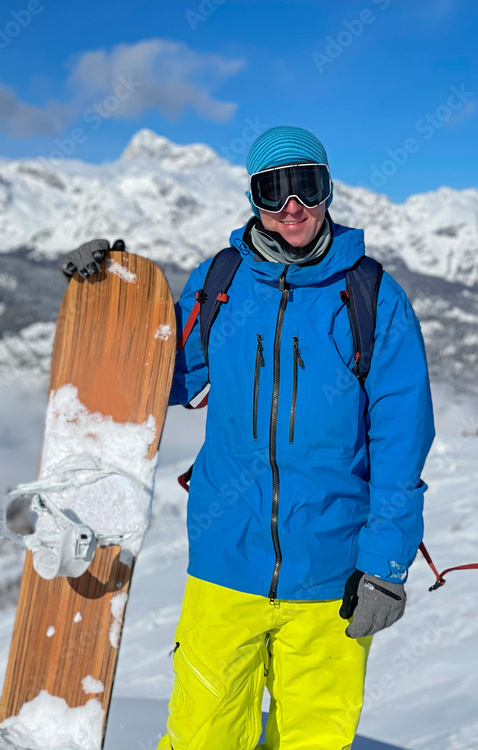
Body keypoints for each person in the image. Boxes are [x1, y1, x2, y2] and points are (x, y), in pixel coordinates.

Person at [63, 126, 434, 750]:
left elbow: (402, 443)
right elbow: (163, 377)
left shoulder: (371, 296)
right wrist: (110, 300)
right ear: (253, 198)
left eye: (306, 186)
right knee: (201, 737)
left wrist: (386, 565)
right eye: (273, 190)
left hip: (332, 574)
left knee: (314, 740)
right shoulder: (221, 282)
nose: (293, 208)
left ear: (329, 189)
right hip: (224, 561)